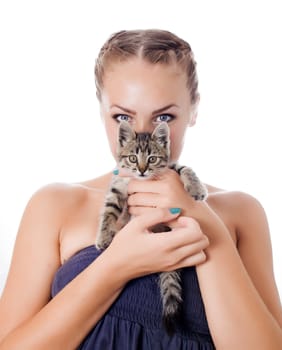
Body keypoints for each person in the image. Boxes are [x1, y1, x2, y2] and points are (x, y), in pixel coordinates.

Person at [0, 29, 281, 350]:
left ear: (194, 110)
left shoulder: (240, 211)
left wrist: (202, 222)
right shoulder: (56, 205)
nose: (143, 135)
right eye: (123, 116)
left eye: (164, 116)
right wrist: (117, 265)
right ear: (101, 111)